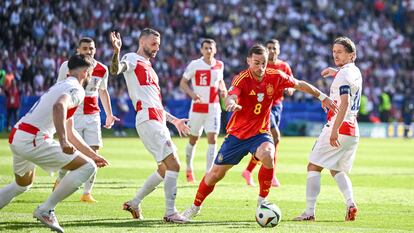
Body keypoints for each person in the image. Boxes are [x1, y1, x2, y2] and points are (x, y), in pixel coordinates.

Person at [181, 44, 337, 220]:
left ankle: (262, 201)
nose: (260, 67)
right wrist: (231, 102)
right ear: (248, 61)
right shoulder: (241, 79)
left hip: (260, 133)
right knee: (214, 175)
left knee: (268, 154)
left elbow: (300, 84)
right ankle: (195, 207)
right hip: (237, 136)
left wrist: (323, 98)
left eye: (263, 63)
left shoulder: (275, 76)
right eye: (256, 63)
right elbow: (232, 94)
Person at [0, 54, 109, 233]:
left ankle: (45, 209)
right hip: (32, 139)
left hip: (18, 135)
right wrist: (63, 140)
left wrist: (93, 154)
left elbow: (71, 131)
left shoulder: (60, 85)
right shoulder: (77, 89)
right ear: (85, 72)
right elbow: (59, 107)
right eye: (90, 72)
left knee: (22, 184)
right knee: (88, 168)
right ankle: (46, 210)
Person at [110, 28, 191, 223]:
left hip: (156, 118)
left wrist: (175, 121)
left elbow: (156, 104)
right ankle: (170, 212)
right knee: (174, 165)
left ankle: (134, 203)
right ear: (142, 42)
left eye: (158, 45)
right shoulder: (131, 58)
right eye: (153, 44)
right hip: (148, 120)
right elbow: (115, 70)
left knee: (164, 169)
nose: (156, 48)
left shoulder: (150, 69)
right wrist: (116, 52)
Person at [293, 37, 362, 222]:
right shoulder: (354, 71)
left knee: (313, 166)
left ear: (351, 55)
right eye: (334, 51)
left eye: (340, 52)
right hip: (353, 130)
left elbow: (345, 102)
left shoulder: (344, 75)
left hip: (339, 127)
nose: (335, 54)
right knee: (336, 169)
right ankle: (351, 204)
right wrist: (335, 71)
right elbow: (347, 80)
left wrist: (334, 130)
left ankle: (309, 212)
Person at [53, 37, 119, 203]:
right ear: (78, 50)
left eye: (91, 48)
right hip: (73, 115)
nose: (88, 51)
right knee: (69, 152)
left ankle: (87, 193)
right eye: (85, 49)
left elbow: (103, 92)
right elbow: (59, 88)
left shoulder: (102, 69)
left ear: (95, 50)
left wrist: (109, 114)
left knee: (94, 152)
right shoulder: (67, 66)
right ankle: (60, 179)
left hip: (93, 116)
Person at [242, 39, 294, 187]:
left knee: (272, 142)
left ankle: (249, 170)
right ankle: (270, 174)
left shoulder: (284, 66)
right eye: (269, 48)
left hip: (278, 105)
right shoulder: (262, 66)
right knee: (275, 137)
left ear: (278, 50)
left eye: (274, 48)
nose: (271, 50)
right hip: (264, 106)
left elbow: (292, 83)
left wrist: (291, 89)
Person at [179, 38, 227, 183]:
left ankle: (208, 173)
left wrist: (223, 90)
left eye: (210, 48)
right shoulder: (195, 64)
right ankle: (189, 169)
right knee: (193, 140)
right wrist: (192, 94)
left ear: (215, 49)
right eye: (205, 48)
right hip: (198, 108)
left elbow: (220, 82)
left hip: (213, 107)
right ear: (201, 50)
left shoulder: (219, 65)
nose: (208, 51)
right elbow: (183, 83)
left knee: (212, 139)